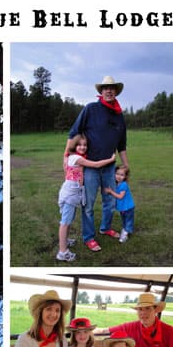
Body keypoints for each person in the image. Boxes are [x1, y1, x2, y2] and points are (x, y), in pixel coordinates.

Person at [67, 75, 128, 251]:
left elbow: (122, 145)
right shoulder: (90, 109)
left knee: (109, 202)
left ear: (116, 91)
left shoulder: (119, 116)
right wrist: (67, 157)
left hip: (109, 169)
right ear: (101, 91)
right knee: (88, 204)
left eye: (112, 88)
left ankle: (106, 228)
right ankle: (88, 237)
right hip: (90, 168)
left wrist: (125, 165)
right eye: (105, 88)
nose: (109, 90)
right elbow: (74, 132)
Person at [57, 134, 116, 261]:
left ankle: (66, 241)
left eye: (85, 145)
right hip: (70, 195)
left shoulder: (69, 157)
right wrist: (111, 160)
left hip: (70, 192)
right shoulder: (77, 158)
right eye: (79, 145)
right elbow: (95, 165)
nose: (83, 147)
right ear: (74, 145)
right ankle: (63, 252)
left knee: (68, 219)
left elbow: (66, 170)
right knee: (65, 222)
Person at [104, 164, 135, 242]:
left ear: (125, 177)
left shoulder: (124, 185)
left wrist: (111, 191)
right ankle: (126, 229)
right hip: (122, 207)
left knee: (128, 220)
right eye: (117, 174)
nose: (118, 176)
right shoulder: (117, 183)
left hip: (128, 207)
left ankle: (125, 234)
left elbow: (120, 196)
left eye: (122, 175)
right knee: (124, 220)